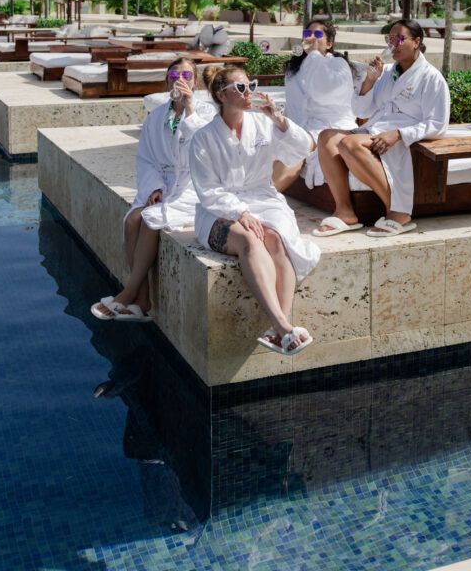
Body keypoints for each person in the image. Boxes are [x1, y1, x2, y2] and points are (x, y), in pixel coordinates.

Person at [190, 65, 319, 356]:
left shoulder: (262, 125)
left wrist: (279, 120)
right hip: (218, 210)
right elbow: (207, 190)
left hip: (263, 198)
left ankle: (279, 329)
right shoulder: (203, 138)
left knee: (276, 238)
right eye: (240, 88)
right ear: (222, 96)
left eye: (251, 85)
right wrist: (239, 212)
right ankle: (283, 326)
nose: (249, 92)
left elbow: (299, 151)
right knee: (249, 238)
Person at [91, 58, 212, 321]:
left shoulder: (205, 112)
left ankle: (129, 293)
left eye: (187, 74)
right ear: (166, 79)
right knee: (132, 218)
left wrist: (189, 109)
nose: (180, 78)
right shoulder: (157, 116)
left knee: (150, 219)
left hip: (193, 185)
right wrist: (154, 186)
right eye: (174, 73)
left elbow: (205, 150)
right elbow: (146, 157)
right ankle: (142, 299)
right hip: (164, 184)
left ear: (196, 81)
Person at [315, 19, 450, 237]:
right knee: (326, 137)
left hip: (401, 138)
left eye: (399, 39)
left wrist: (399, 135)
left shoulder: (431, 78)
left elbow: (438, 124)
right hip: (376, 130)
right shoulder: (386, 72)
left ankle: (398, 211)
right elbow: (360, 110)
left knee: (349, 144)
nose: (392, 44)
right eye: (389, 39)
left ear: (416, 42)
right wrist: (369, 80)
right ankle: (345, 211)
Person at [273, 18, 357, 192]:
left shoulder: (337, 65)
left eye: (318, 34)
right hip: (304, 126)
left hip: (331, 127)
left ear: (329, 44)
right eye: (307, 33)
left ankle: (264, 198)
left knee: (297, 145)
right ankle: (254, 191)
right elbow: (294, 104)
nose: (311, 37)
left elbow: (323, 92)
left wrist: (313, 55)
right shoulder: (295, 68)